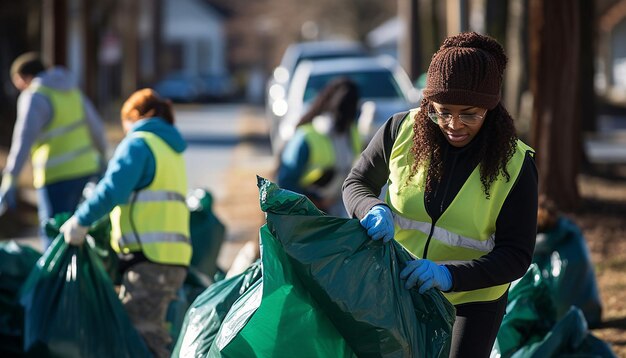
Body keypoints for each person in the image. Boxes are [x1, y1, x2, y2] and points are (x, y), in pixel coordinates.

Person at [342, 32, 538, 357]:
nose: (453, 124)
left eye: (470, 113)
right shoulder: (399, 131)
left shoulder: (516, 165)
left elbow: (516, 256)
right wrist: (370, 208)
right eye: (442, 110)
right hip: (400, 286)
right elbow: (356, 182)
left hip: (474, 302)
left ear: (491, 107)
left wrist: (448, 275)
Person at [60, 89, 191, 358]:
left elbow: (111, 191)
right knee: (150, 332)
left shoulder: (139, 143)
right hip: (173, 258)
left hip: (148, 258)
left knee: (142, 337)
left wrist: (80, 221)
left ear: (133, 116)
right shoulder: (170, 149)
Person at [0, 52, 107, 248]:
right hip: (86, 170)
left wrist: (11, 177)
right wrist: (103, 158)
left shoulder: (34, 96)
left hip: (56, 177)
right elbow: (96, 128)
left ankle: (55, 278)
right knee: (81, 231)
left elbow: (23, 139)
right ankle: (79, 277)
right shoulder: (72, 90)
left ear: (23, 77)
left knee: (54, 235)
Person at [277, 77, 362, 217]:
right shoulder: (305, 136)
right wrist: (316, 202)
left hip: (337, 211)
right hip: (304, 212)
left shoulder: (353, 135)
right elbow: (285, 183)